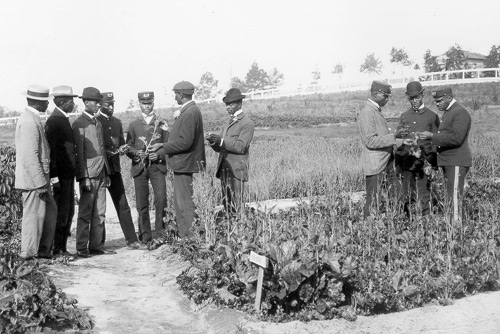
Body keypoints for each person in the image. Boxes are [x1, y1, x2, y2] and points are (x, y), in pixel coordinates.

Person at [357, 80, 412, 218]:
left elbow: (383, 137)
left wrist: (401, 141)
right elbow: (370, 141)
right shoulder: (367, 112)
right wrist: (394, 136)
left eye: (388, 96)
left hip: (386, 163)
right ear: (376, 94)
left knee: (399, 195)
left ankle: (400, 223)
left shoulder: (375, 111)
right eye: (385, 96)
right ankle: (368, 229)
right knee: (373, 201)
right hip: (376, 166)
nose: (387, 99)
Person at [15, 85, 57, 260]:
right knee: (33, 218)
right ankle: (29, 255)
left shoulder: (32, 119)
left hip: (39, 180)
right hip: (33, 181)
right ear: (38, 103)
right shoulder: (29, 122)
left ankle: (43, 252)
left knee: (49, 212)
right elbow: (30, 157)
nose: (48, 105)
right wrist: (40, 183)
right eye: (45, 102)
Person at [417, 86, 472, 221]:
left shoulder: (460, 112)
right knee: (451, 197)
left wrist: (432, 136)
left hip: (456, 161)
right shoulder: (449, 112)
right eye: (435, 101)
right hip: (449, 162)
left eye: (440, 100)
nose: (437, 104)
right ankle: (454, 228)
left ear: (449, 97)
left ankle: (457, 230)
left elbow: (456, 137)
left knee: (454, 197)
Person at [96, 92, 143, 249]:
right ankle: (97, 244)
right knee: (98, 208)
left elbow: (123, 144)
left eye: (112, 104)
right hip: (101, 170)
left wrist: (128, 151)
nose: (111, 107)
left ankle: (132, 240)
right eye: (107, 104)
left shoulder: (117, 122)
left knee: (123, 204)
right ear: (100, 105)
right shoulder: (95, 121)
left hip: (115, 170)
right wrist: (110, 152)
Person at [72, 87, 114, 257]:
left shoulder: (97, 122)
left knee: (101, 212)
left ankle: (96, 246)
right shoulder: (78, 124)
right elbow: (79, 153)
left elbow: (102, 149)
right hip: (89, 175)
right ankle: (82, 248)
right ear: (86, 102)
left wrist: (107, 172)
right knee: (85, 213)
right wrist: (84, 177)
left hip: (102, 172)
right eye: (95, 102)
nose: (98, 105)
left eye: (99, 102)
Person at [163, 81, 206, 239]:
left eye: (176, 94)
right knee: (181, 202)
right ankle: (186, 236)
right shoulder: (190, 110)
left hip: (184, 164)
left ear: (181, 94)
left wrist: (164, 146)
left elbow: (185, 142)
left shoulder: (189, 112)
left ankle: (189, 237)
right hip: (184, 164)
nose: (175, 97)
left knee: (184, 203)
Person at [126, 91, 168, 244]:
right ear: (139, 104)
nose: (147, 106)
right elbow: (128, 146)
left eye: (149, 103)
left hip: (157, 166)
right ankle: (145, 236)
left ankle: (160, 234)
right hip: (140, 167)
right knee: (141, 202)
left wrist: (159, 155)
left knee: (161, 199)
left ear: (153, 103)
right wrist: (136, 153)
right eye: (144, 103)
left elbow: (168, 144)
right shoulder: (134, 124)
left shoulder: (161, 123)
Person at [395, 81, 440, 217]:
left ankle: (425, 223)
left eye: (417, 97)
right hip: (407, 164)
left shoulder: (432, 116)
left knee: (424, 195)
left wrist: (434, 166)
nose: (414, 101)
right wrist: (398, 164)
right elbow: (399, 140)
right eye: (411, 98)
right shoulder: (404, 116)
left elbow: (436, 143)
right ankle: (409, 225)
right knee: (408, 196)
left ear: (422, 95)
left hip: (424, 164)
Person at [206, 88, 254, 215]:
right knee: (226, 205)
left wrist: (221, 141)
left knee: (236, 205)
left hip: (237, 170)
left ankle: (238, 231)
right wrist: (213, 142)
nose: (228, 107)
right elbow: (220, 147)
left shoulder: (247, 123)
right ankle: (229, 231)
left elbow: (241, 147)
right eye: (227, 104)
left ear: (239, 104)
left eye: (231, 104)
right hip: (224, 168)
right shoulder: (228, 123)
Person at [45, 85, 78, 259]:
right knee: (62, 212)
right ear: (62, 102)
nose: (73, 103)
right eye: (71, 101)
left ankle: (62, 247)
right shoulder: (55, 121)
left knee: (68, 211)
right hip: (61, 176)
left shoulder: (62, 118)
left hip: (67, 175)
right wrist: (55, 177)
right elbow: (52, 152)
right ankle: (57, 249)